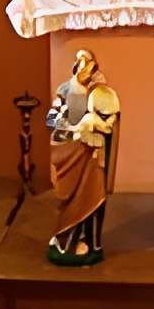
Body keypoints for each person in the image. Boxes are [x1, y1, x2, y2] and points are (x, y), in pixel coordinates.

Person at [45, 47, 121, 263]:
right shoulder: (65, 89)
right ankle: (65, 241)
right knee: (75, 201)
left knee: (94, 200)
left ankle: (88, 241)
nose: (89, 71)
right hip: (72, 153)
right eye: (85, 66)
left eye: (91, 66)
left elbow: (108, 119)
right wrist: (75, 128)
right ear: (76, 67)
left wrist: (99, 123)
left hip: (91, 155)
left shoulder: (95, 91)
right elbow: (51, 121)